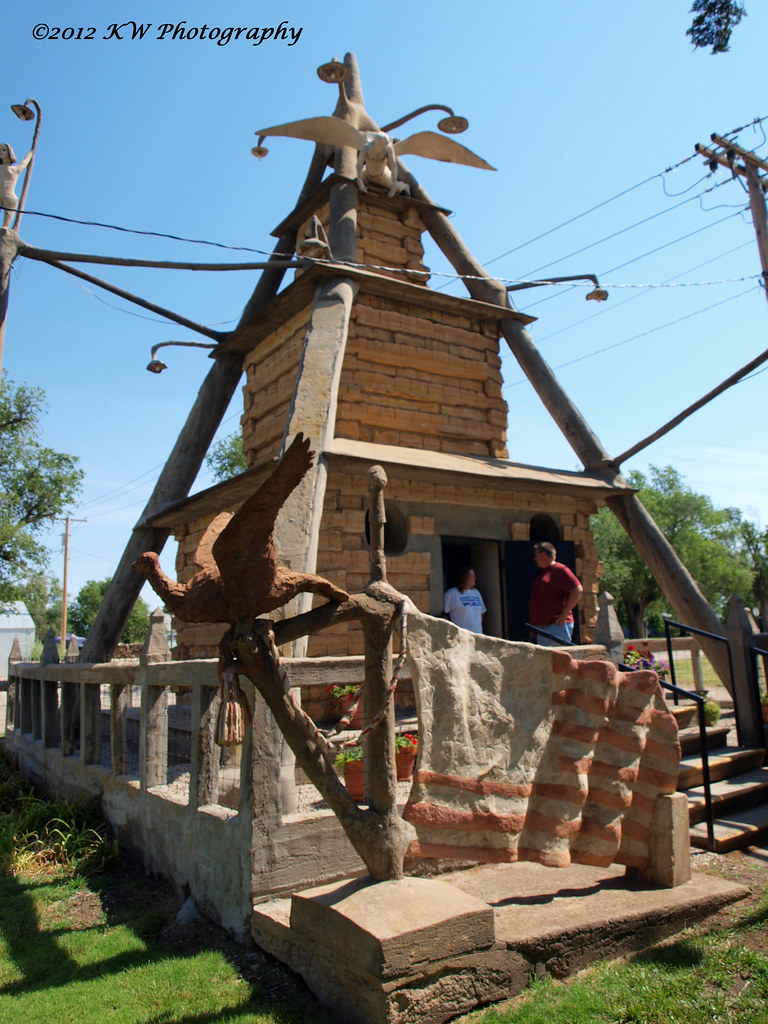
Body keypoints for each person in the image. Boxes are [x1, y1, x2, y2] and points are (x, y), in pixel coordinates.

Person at [528, 542, 583, 646]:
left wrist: (565, 612)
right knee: (547, 660)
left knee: (559, 659)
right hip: (543, 626)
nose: (535, 559)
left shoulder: (560, 570)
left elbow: (577, 589)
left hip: (556, 626)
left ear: (543, 555)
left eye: (536, 556)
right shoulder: (545, 572)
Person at [444, 567, 486, 634]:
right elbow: (444, 614)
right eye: (472, 576)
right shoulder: (452, 593)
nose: (474, 578)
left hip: (478, 635)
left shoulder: (476, 593)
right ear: (465, 577)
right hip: (462, 635)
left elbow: (482, 612)